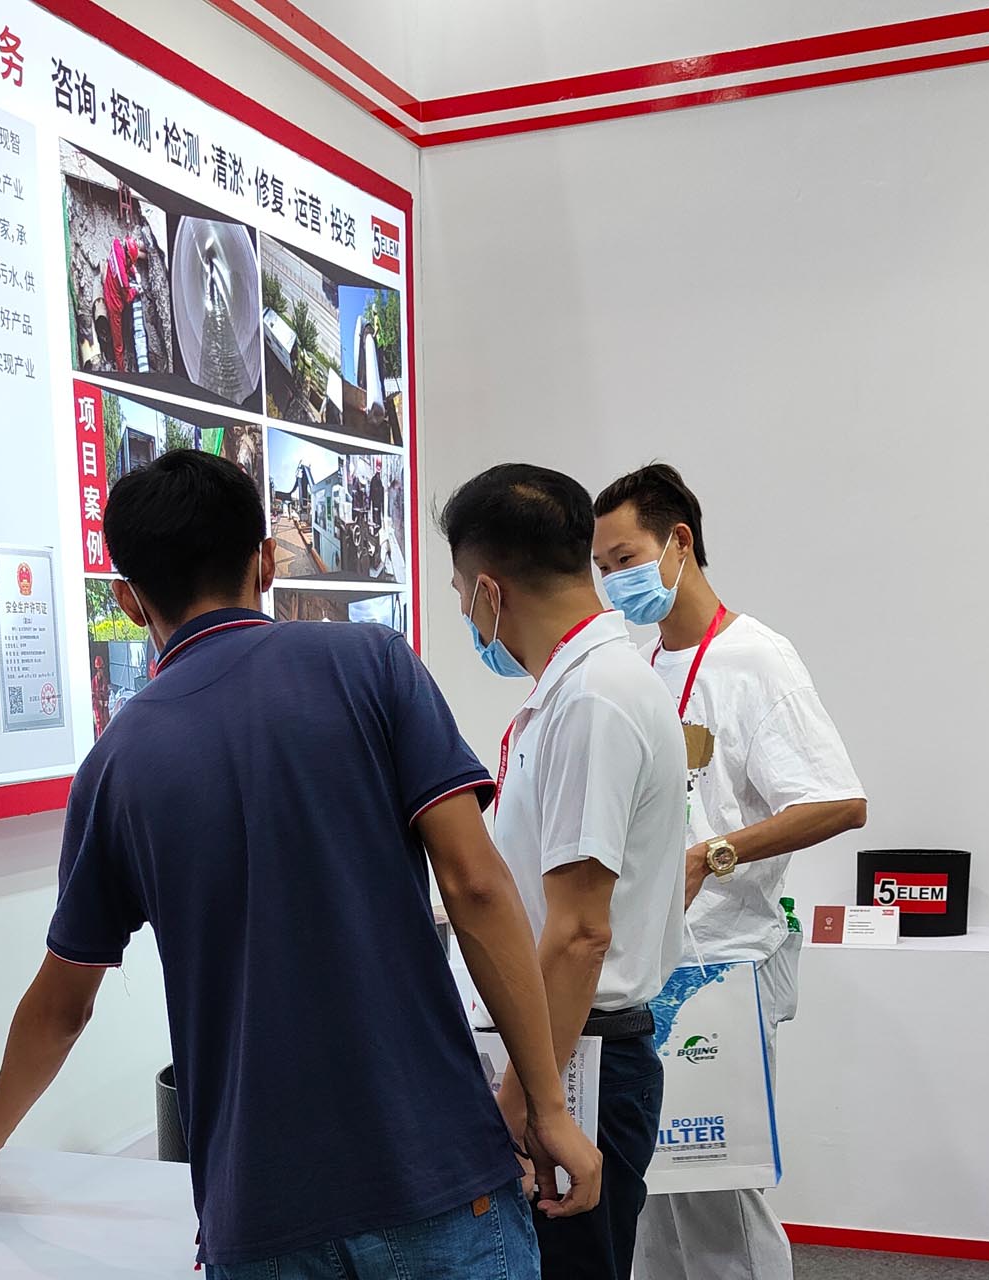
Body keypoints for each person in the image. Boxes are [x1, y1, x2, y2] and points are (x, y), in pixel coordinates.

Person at [0, 450, 604, 1277]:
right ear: (267, 562)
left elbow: (64, 1004)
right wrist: (547, 1107)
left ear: (129, 600)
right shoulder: (372, 664)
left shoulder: (116, 765)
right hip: (436, 1175)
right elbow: (477, 886)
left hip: (261, 1211)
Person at [591, 463, 867, 1280]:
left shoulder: (755, 659)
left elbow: (839, 801)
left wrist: (713, 856)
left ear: (679, 542)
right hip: (650, 969)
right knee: (651, 1196)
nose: (613, 582)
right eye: (601, 567)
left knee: (718, 1194)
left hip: (725, 968)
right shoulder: (643, 666)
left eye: (625, 559)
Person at [439, 464, 689, 1280]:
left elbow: (580, 935)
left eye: (459, 594)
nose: (465, 614)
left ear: (488, 590)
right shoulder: (581, 687)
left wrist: (522, 1105)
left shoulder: (594, 700)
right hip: (565, 1053)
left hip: (578, 1062)